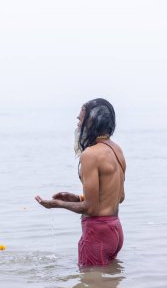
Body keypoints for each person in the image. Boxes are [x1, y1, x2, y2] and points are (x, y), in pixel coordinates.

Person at [35, 98, 126, 267]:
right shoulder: (117, 149)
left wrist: (57, 204)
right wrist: (77, 198)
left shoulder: (90, 154)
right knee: (108, 286)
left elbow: (91, 208)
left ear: (92, 121)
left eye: (80, 119)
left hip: (96, 234)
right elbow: (118, 197)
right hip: (115, 231)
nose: (77, 124)